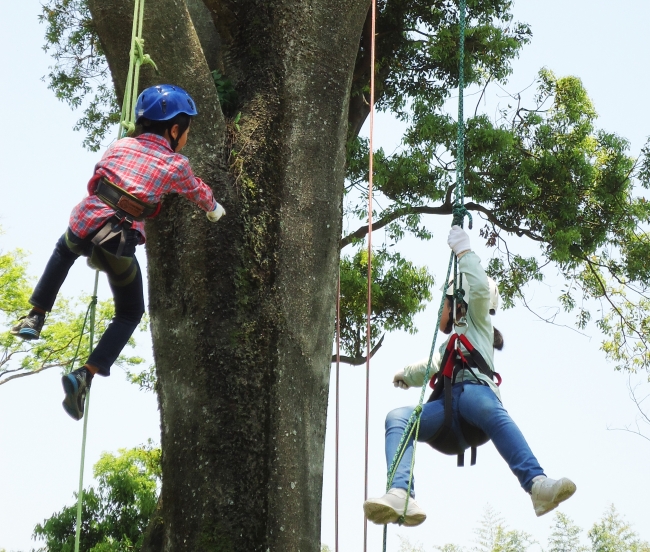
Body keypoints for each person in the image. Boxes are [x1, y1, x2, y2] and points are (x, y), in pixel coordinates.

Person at [10, 84, 226, 421]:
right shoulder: (176, 164)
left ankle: (35, 315)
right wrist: (214, 209)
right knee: (129, 312)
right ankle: (86, 374)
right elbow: (197, 192)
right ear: (174, 129)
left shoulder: (121, 144)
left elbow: (101, 172)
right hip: (118, 241)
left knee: (63, 251)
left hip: (85, 219)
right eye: (186, 131)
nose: (186, 138)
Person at [363, 225, 576, 527]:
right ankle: (401, 492)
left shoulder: (478, 324)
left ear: (456, 301)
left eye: (444, 303)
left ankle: (536, 484)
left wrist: (464, 252)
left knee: (476, 396)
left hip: (476, 407)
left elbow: (476, 289)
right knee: (397, 416)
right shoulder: (451, 343)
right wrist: (405, 375)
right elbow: (430, 365)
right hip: (448, 416)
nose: (440, 310)